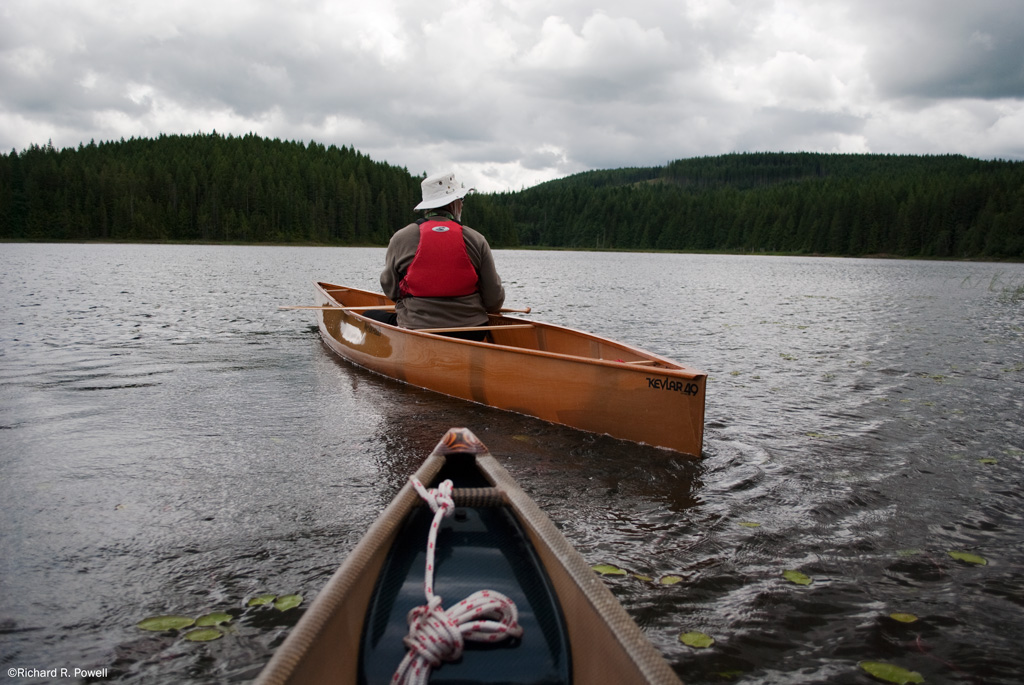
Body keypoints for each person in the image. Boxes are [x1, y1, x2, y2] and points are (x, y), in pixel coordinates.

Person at [372, 171, 505, 341]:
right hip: (472, 332)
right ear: (454, 203)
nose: (462, 205)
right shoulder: (476, 239)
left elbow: (391, 290)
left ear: (428, 206)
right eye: (461, 200)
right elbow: (493, 301)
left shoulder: (401, 238)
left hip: (418, 329)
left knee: (368, 315)